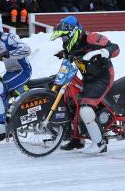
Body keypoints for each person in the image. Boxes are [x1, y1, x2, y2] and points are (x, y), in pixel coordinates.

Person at [51, 16, 119, 154]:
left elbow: (115, 48)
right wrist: (64, 53)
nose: (63, 40)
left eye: (64, 37)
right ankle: (77, 139)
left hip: (102, 77)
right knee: (71, 102)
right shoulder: (70, 45)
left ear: (73, 33)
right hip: (88, 78)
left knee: (86, 109)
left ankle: (100, 144)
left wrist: (100, 52)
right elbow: (75, 52)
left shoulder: (92, 38)